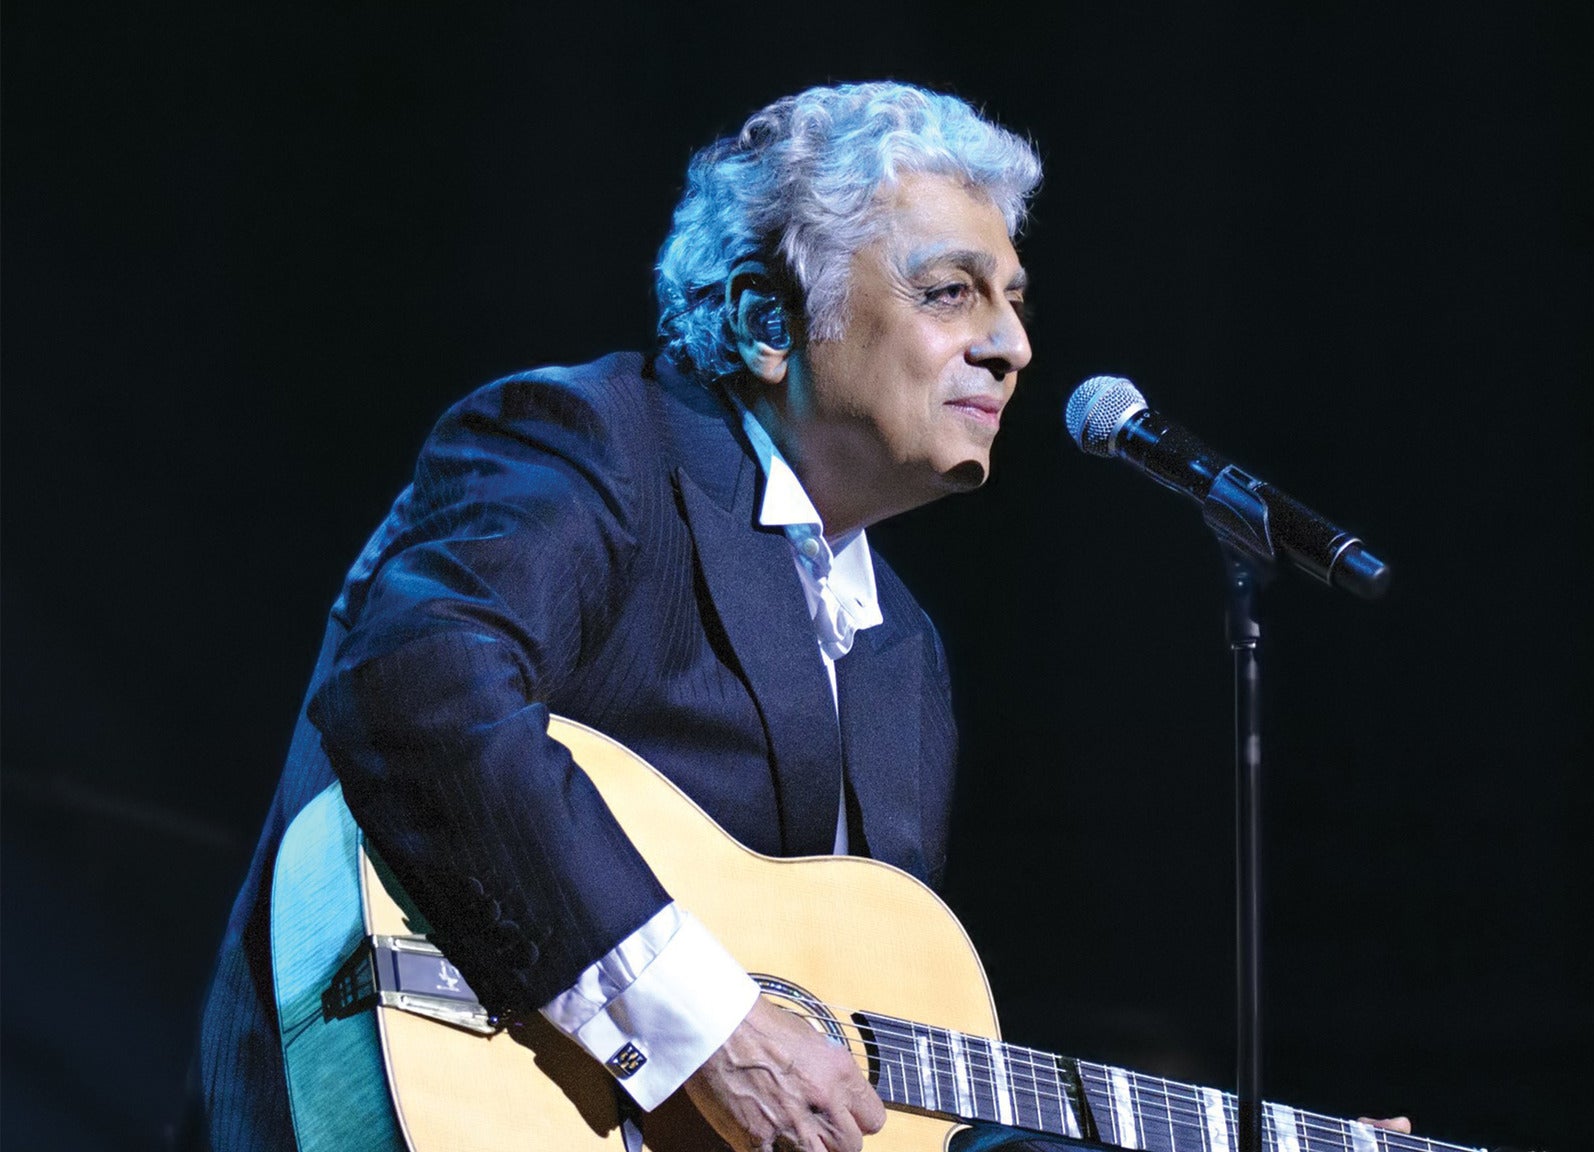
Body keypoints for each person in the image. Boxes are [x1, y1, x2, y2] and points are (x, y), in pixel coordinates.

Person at [187, 81, 1038, 1152]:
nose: (1011, 344)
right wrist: (698, 1025)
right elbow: (420, 694)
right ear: (765, 320)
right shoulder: (593, 444)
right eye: (951, 292)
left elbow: (850, 1051)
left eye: (1014, 300)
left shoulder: (903, 647)